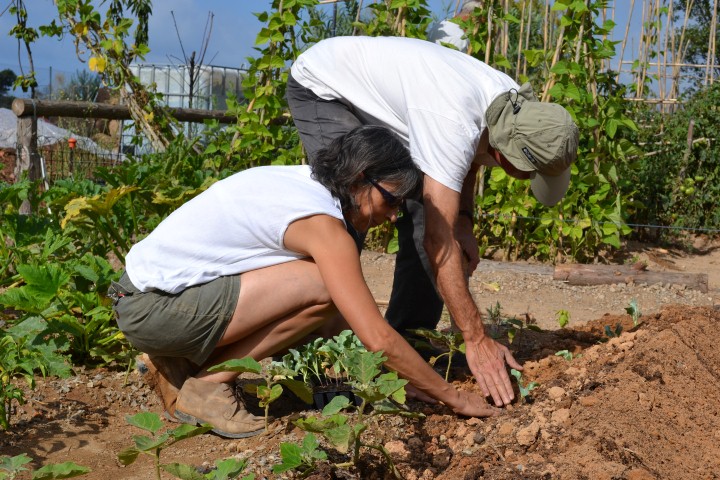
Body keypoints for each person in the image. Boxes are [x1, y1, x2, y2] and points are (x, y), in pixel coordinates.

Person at [110, 125, 499, 440]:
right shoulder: (322, 225)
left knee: (329, 305)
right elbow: (376, 336)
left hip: (149, 299)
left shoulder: (304, 187)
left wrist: (395, 375)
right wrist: (451, 397)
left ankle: (178, 360)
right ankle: (207, 385)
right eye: (391, 200)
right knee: (323, 287)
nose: (395, 215)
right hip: (152, 309)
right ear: (362, 178)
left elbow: (338, 322)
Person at [286, 35, 579, 408]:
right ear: (510, 160)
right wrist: (475, 338)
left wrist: (464, 224)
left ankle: (410, 344)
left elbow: (471, 156)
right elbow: (438, 239)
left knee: (432, 211)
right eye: (532, 173)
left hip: (403, 106)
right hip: (328, 88)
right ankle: (316, 363)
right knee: (347, 212)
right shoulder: (452, 120)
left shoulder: (509, 106)